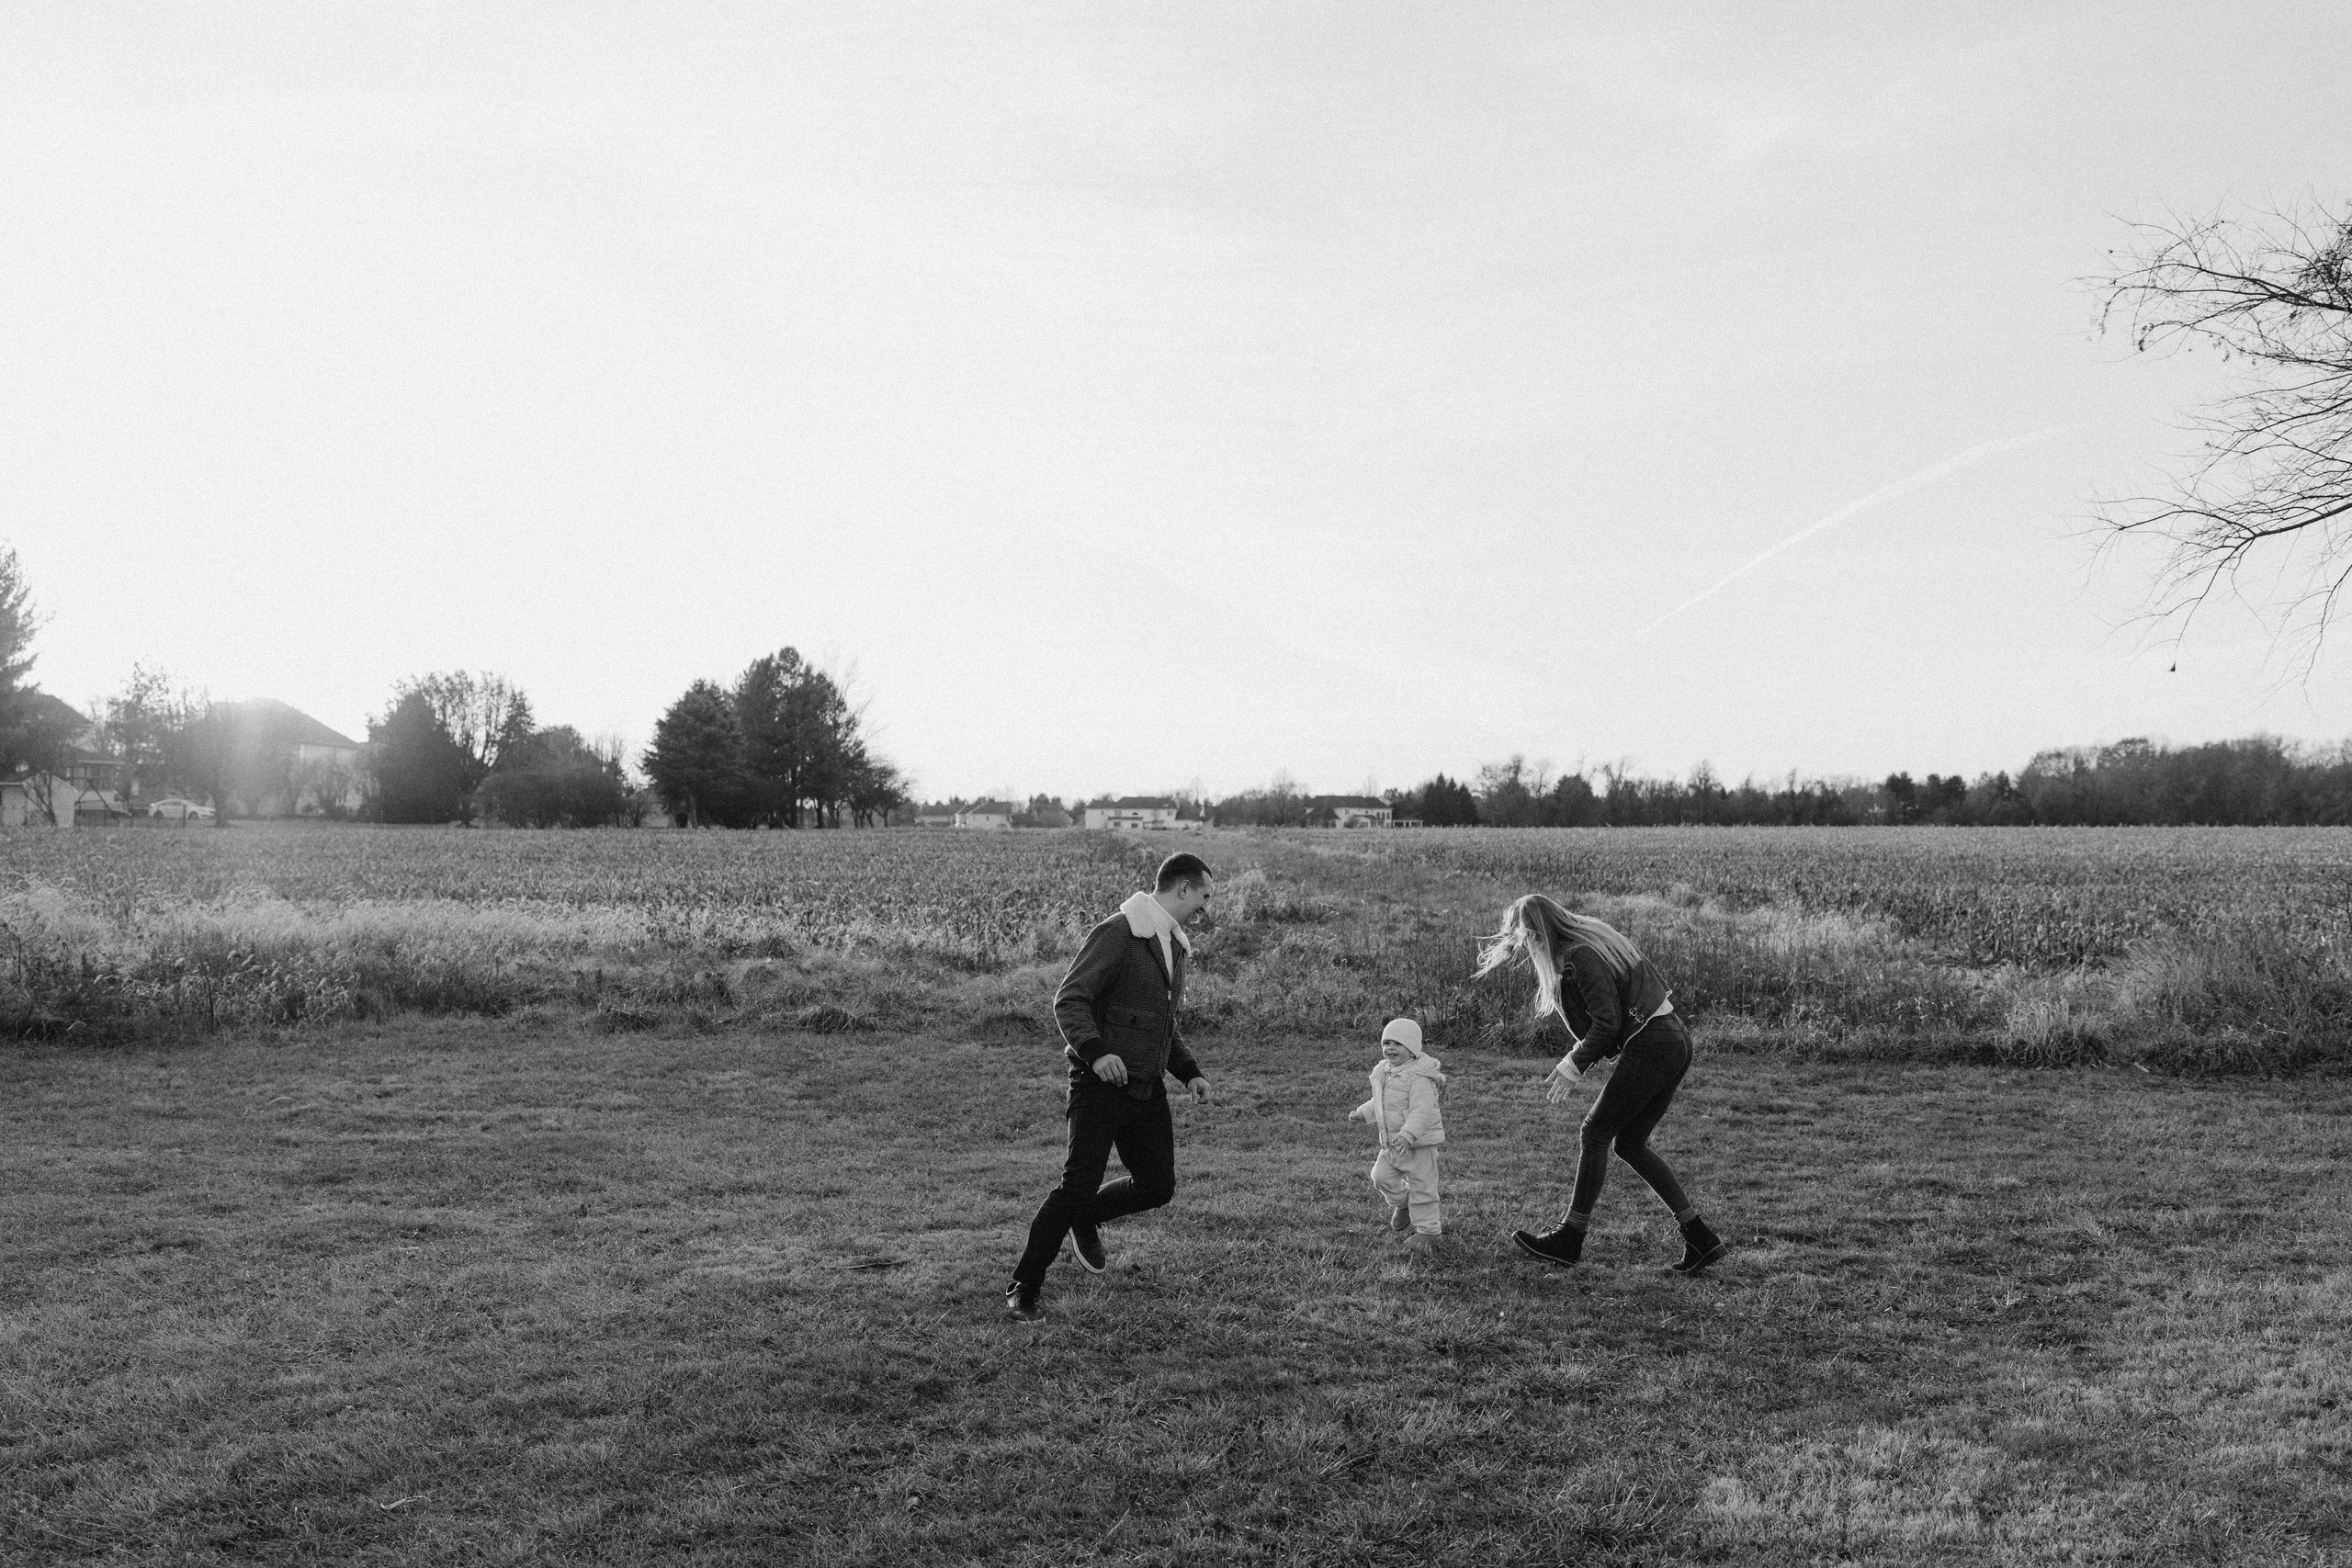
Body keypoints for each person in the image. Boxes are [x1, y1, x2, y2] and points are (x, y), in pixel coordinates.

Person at [1004, 852, 1216, 1321]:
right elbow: (1070, 999)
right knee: (1077, 1185)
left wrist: (1189, 1071)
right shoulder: (1119, 932)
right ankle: (1024, 1285)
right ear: (1181, 889)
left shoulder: (1174, 944)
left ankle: (1087, 1218)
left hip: (1145, 1086)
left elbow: (1163, 1023)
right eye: (1202, 898)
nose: (1203, 910)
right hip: (1098, 1085)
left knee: (1158, 1186)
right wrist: (1097, 1053)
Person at [1476, 894, 1727, 1274]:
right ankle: (1700, 1237)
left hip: (1653, 1044)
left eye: (1524, 938)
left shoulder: (1580, 957)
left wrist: (1573, 1064)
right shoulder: (1590, 942)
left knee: (1594, 1134)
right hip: (1671, 1039)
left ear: (1536, 932)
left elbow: (1606, 1024)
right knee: (1629, 1144)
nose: (1525, 947)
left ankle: (1570, 1237)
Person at [1347, 1017, 1446, 1247]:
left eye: (1397, 1044)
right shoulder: (1386, 1071)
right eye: (1386, 1042)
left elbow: (1423, 1111)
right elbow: (1379, 1101)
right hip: (1393, 1142)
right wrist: (1363, 1113)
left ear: (1412, 1049)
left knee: (1423, 1187)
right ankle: (1403, 1203)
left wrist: (1408, 1135)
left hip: (1418, 1144)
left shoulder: (1419, 1077)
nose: (1390, 1048)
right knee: (1380, 1177)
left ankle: (1429, 1232)